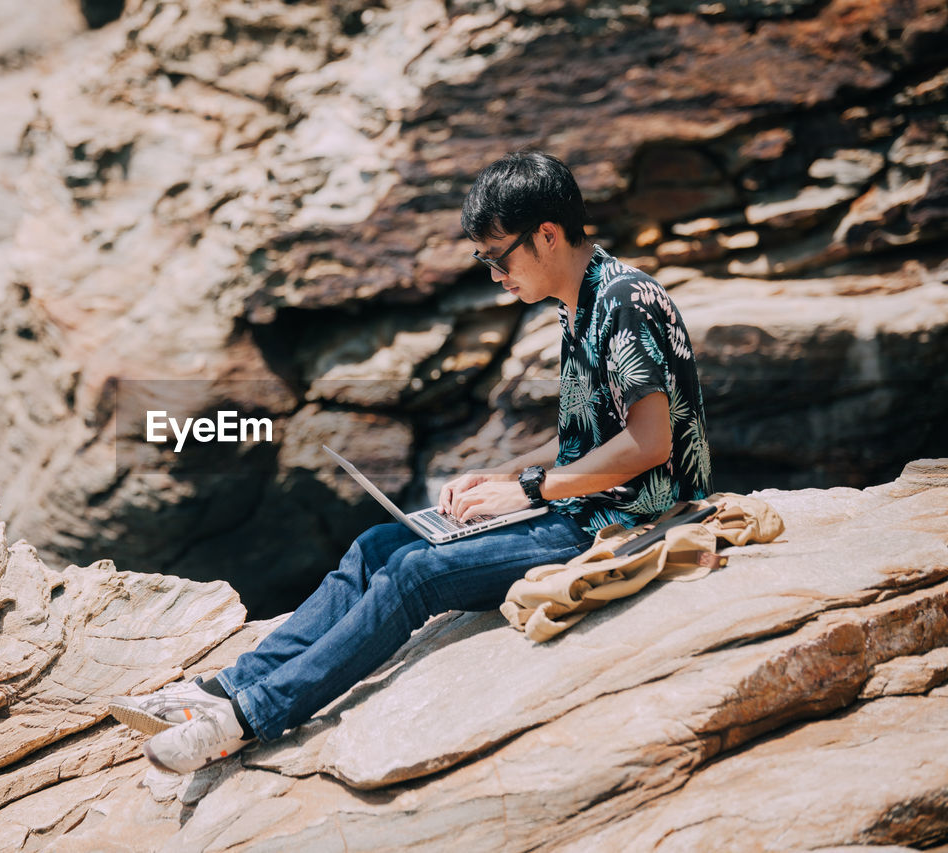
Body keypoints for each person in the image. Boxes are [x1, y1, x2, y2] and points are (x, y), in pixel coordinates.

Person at [108, 150, 712, 774]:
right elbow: (587, 434)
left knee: (415, 574)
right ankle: (223, 688)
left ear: (548, 235)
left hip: (624, 523)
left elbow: (649, 444)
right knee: (375, 546)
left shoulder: (625, 300)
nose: (496, 275)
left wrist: (531, 492)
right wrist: (505, 474)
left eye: (499, 257)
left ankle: (245, 719)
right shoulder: (579, 302)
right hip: (582, 504)